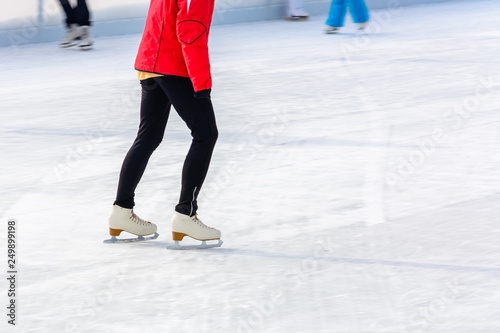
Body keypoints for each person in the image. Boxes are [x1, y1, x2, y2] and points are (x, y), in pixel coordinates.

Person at [107, 0, 221, 246]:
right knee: (205, 134)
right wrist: (201, 81)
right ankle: (185, 214)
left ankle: (121, 211)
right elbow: (191, 30)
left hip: (151, 61)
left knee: (148, 138)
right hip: (173, 64)